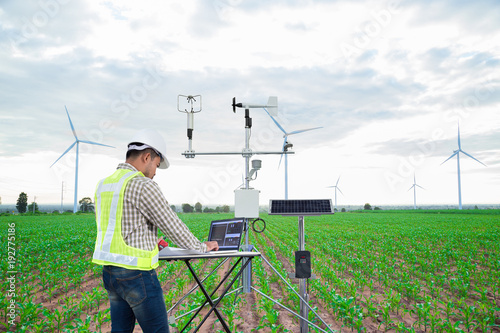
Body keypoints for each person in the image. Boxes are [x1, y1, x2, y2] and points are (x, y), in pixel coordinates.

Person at [92, 128, 219, 333]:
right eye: (157, 165)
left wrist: (152, 242)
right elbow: (173, 226)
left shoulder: (104, 184)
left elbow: (116, 226)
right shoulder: (142, 185)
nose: (155, 172)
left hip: (110, 274)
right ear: (147, 156)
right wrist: (201, 246)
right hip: (137, 275)